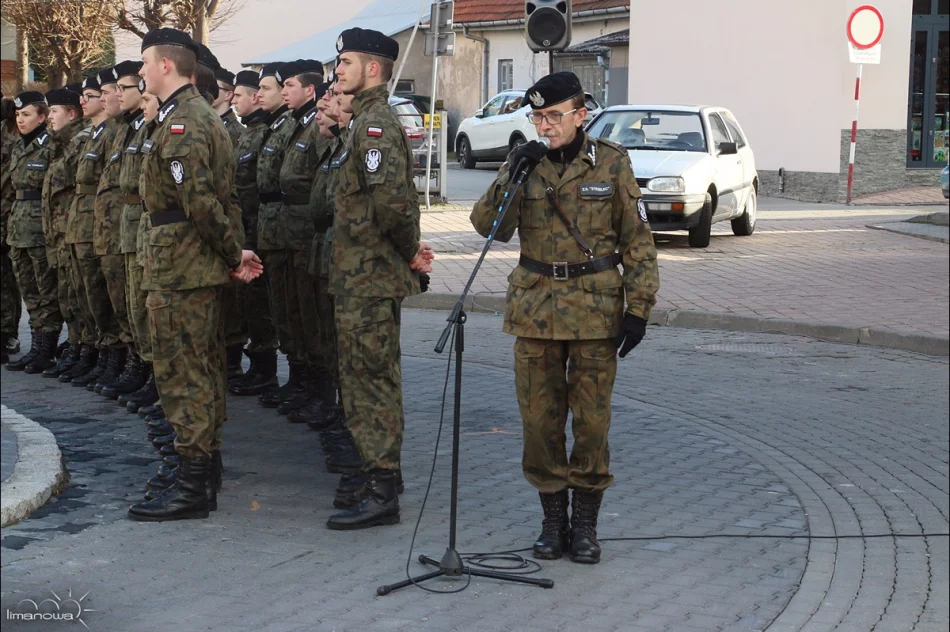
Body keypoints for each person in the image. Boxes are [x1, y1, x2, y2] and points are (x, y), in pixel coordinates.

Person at [470, 72, 659, 564]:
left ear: (581, 115)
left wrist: (639, 309)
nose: (545, 126)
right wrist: (511, 173)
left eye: (554, 116)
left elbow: (638, 243)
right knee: (539, 422)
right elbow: (489, 226)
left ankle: (586, 526)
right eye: (538, 117)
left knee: (592, 423)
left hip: (595, 313)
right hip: (535, 310)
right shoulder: (524, 162)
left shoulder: (612, 163)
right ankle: (553, 521)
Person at [127, 28, 261, 522]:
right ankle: (200, 474)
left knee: (183, 373)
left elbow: (201, 203)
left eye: (145, 63)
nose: (141, 72)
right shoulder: (186, 115)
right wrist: (231, 252)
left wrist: (232, 253)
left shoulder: (185, 121)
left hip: (182, 268)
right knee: (197, 369)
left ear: (165, 66)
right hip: (185, 264)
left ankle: (192, 484)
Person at [325, 29, 432, 531]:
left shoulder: (374, 125)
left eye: (345, 62)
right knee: (361, 379)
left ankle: (382, 487)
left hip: (370, 278)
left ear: (372, 68)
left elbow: (392, 204)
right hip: (358, 276)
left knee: (371, 381)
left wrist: (411, 252)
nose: (337, 70)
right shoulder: (364, 120)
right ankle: (376, 475)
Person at [271, 59, 329, 418]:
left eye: (289, 85)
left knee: (312, 313)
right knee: (294, 310)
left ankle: (319, 389)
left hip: (307, 231)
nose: (283, 92)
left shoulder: (316, 125)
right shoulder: (297, 123)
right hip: (290, 230)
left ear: (309, 89)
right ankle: (302, 380)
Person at [225, 70, 279, 397]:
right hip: (246, 228)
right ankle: (259, 367)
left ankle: (265, 368)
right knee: (249, 302)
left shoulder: (264, 133)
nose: (235, 101)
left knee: (260, 304)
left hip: (259, 229)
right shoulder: (250, 133)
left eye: (239, 95)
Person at [94, 61, 147, 397]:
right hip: (120, 228)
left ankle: (145, 369)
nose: (114, 95)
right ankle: (134, 362)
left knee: (140, 304)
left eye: (121, 88)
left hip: (138, 228)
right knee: (126, 303)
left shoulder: (144, 127)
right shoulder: (124, 129)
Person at [66, 69, 120, 388]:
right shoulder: (91, 134)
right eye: (83, 96)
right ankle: (99, 351)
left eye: (91, 96)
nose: (84, 101)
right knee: (86, 292)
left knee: (103, 293)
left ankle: (114, 356)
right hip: (82, 221)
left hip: (100, 223)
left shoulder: (112, 133)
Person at [255, 61, 304, 409]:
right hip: (273, 228)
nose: (262, 95)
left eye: (267, 88)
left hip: (292, 232)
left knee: (297, 313)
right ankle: (298, 381)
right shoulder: (277, 126)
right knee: (282, 309)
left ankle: (308, 385)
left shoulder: (294, 126)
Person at [5, 91, 62, 373]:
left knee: (46, 291)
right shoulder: (18, 146)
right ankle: (36, 347)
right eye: (17, 114)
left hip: (40, 228)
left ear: (42, 117)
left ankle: (46, 351)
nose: (20, 119)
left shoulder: (51, 146)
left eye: (26, 114)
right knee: (29, 291)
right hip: (18, 227)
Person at [40, 87, 90, 378]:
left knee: (80, 296)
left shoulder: (79, 141)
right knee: (68, 296)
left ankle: (86, 350)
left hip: (74, 231)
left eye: (54, 111)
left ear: (71, 114)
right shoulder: (60, 143)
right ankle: (76, 345)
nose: (50, 117)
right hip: (61, 233)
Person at [1, 95, 23, 364]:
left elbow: (10, 185)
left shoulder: (11, 142)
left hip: (8, 218)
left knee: (7, 280)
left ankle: (7, 333)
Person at [213, 67, 243, 149]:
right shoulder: (206, 122)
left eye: (214, 88)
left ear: (228, 95)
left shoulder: (237, 133)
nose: (209, 91)